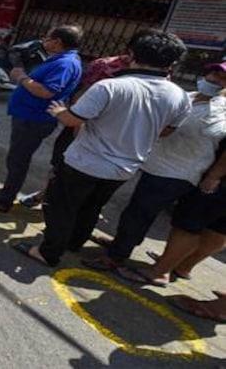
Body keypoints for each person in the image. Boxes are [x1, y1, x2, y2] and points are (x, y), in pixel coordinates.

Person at [15, 30, 192, 267]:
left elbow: (73, 120)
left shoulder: (109, 87)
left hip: (86, 161)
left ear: (131, 54)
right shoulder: (180, 95)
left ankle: (48, 251)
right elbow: (168, 130)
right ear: (172, 62)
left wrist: (59, 112)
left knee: (61, 206)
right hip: (125, 166)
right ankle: (74, 243)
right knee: (92, 206)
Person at [82, 62, 226, 271]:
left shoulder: (220, 112)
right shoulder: (190, 96)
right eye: (213, 73)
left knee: (140, 213)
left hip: (178, 171)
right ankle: (121, 245)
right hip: (154, 162)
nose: (213, 79)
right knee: (135, 209)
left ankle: (116, 256)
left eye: (222, 78)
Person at [0, 25, 84, 212]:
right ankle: (8, 189)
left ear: (57, 42)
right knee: (16, 157)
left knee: (18, 159)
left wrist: (22, 77)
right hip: (29, 116)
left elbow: (47, 91)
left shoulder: (65, 63)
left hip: (34, 119)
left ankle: (4, 200)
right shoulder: (61, 59)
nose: (43, 40)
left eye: (47, 37)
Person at [116, 147, 226, 289]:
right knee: (218, 229)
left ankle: (159, 271)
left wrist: (214, 176)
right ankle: (183, 266)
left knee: (188, 226)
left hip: (219, 184)